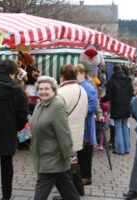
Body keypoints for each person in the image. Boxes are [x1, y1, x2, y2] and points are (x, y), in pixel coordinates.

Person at [30, 76, 80, 200]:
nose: (43, 91)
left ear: (54, 90)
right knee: (67, 189)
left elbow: (63, 132)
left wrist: (69, 154)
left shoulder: (57, 106)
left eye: (46, 88)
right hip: (41, 154)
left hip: (52, 155)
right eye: (40, 89)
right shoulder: (39, 105)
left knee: (41, 189)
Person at [0, 60, 28, 200]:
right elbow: (23, 115)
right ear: (13, 73)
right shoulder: (18, 91)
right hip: (8, 131)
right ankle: (6, 196)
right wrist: (16, 127)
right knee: (7, 166)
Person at [56, 65, 88, 197]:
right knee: (73, 161)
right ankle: (79, 190)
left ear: (62, 76)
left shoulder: (60, 93)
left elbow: (55, 117)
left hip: (63, 134)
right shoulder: (82, 90)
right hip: (77, 132)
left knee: (65, 165)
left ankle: (68, 195)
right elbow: (85, 113)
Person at [74, 64, 98, 186]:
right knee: (79, 151)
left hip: (86, 124)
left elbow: (93, 106)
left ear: (83, 74)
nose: (75, 76)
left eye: (77, 73)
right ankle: (81, 175)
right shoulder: (75, 87)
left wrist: (79, 110)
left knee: (85, 151)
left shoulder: (88, 88)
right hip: (78, 124)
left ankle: (86, 177)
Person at [102, 64, 133, 155]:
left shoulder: (112, 81)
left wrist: (101, 99)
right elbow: (132, 93)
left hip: (116, 107)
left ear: (113, 71)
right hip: (126, 106)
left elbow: (108, 96)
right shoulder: (128, 80)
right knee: (125, 127)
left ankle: (120, 149)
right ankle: (126, 148)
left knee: (118, 128)